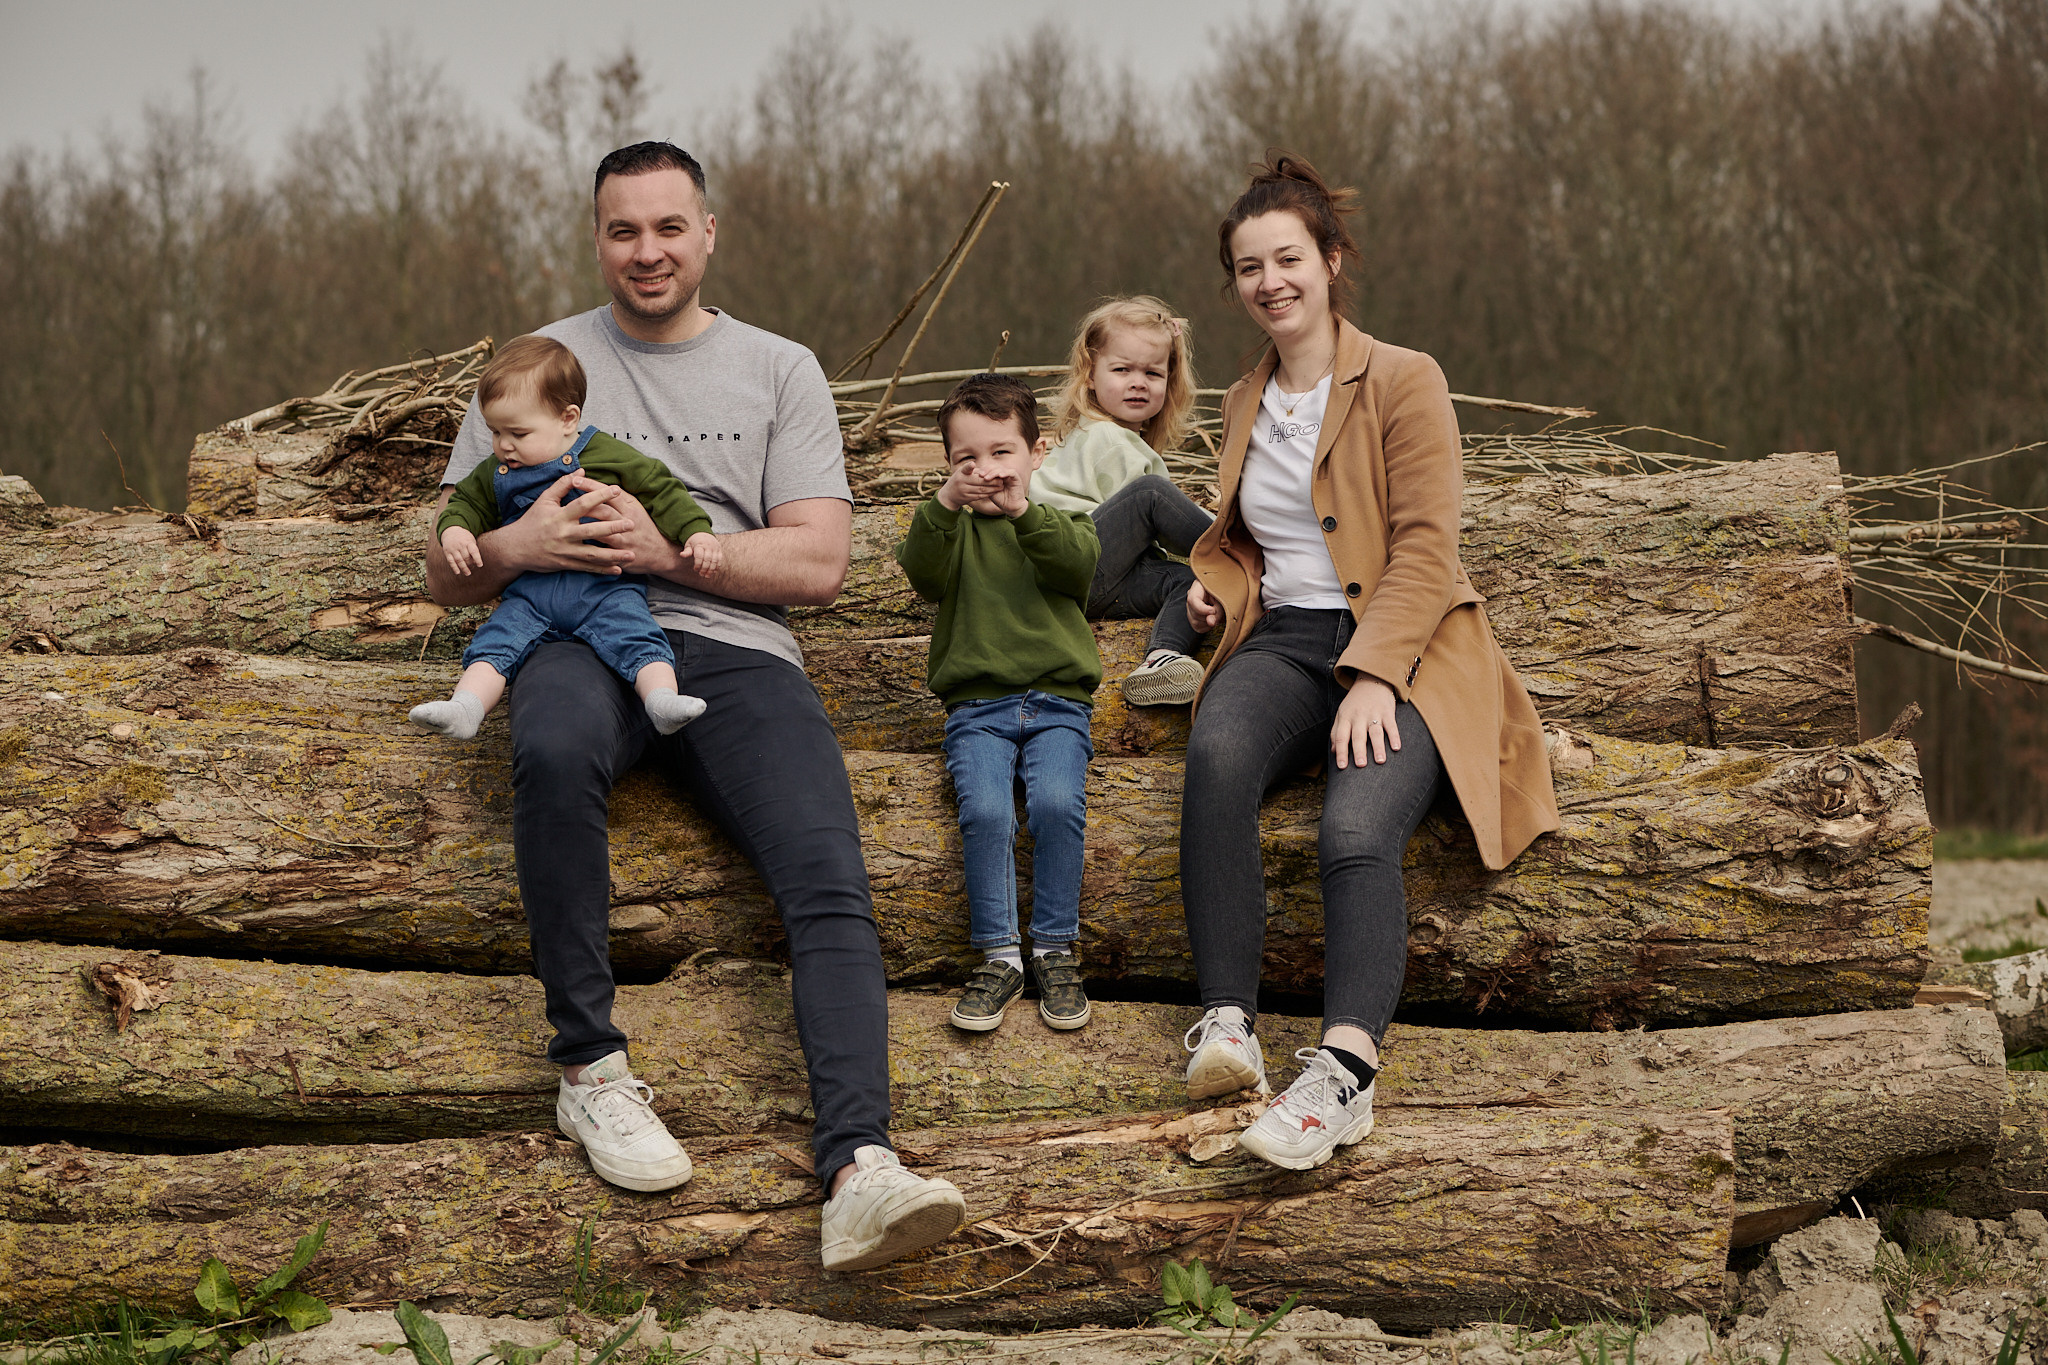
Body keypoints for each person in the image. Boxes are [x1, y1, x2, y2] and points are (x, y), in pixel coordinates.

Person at [423, 141, 967, 1272]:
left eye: (669, 226)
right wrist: (523, 545)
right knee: (551, 747)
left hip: (736, 651)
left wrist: (668, 552)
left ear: (708, 233)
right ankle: (590, 1070)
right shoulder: (536, 365)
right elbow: (446, 567)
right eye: (623, 229)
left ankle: (860, 1166)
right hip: (571, 636)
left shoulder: (779, 369)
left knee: (826, 866)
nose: (647, 250)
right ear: (596, 238)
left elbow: (819, 563)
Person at [1176, 153, 1560, 1171]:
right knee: (1215, 756)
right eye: (1248, 267)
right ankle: (1226, 1024)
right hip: (1287, 642)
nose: (1269, 282)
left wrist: (1376, 675)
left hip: (1411, 644)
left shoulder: (1403, 377)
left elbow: (1427, 549)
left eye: (1287, 259)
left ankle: (1342, 1077)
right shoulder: (1241, 398)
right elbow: (1258, 538)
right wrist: (1218, 583)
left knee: (1353, 825)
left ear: (1331, 261)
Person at [895, 374, 1101, 1034]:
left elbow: (1077, 568)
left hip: (1059, 702)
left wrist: (1022, 512)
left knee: (1056, 805)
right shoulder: (951, 531)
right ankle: (1001, 955)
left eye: (1001, 452)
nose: (986, 470)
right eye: (967, 459)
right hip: (977, 708)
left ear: (1037, 452)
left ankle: (1054, 948)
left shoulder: (1060, 518)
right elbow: (923, 573)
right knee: (985, 812)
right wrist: (943, 504)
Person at [410, 334, 715, 742]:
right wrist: (455, 530)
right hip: (530, 596)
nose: (503, 445)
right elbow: (464, 501)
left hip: (606, 589)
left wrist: (696, 531)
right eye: (495, 432)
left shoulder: (608, 454)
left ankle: (662, 701)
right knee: (494, 644)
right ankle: (465, 709)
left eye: (518, 433)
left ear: (568, 419)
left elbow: (661, 489)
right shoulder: (497, 472)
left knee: (638, 637)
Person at [1029, 297, 1216, 707]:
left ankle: (1162, 657)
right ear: (1089, 374)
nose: (1138, 382)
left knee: (1187, 583)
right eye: (1122, 370)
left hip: (1093, 585)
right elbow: (1158, 516)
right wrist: (1222, 529)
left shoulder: (1103, 435)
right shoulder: (1105, 436)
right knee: (1151, 494)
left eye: (1152, 372)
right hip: (1069, 560)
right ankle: (1239, 548)